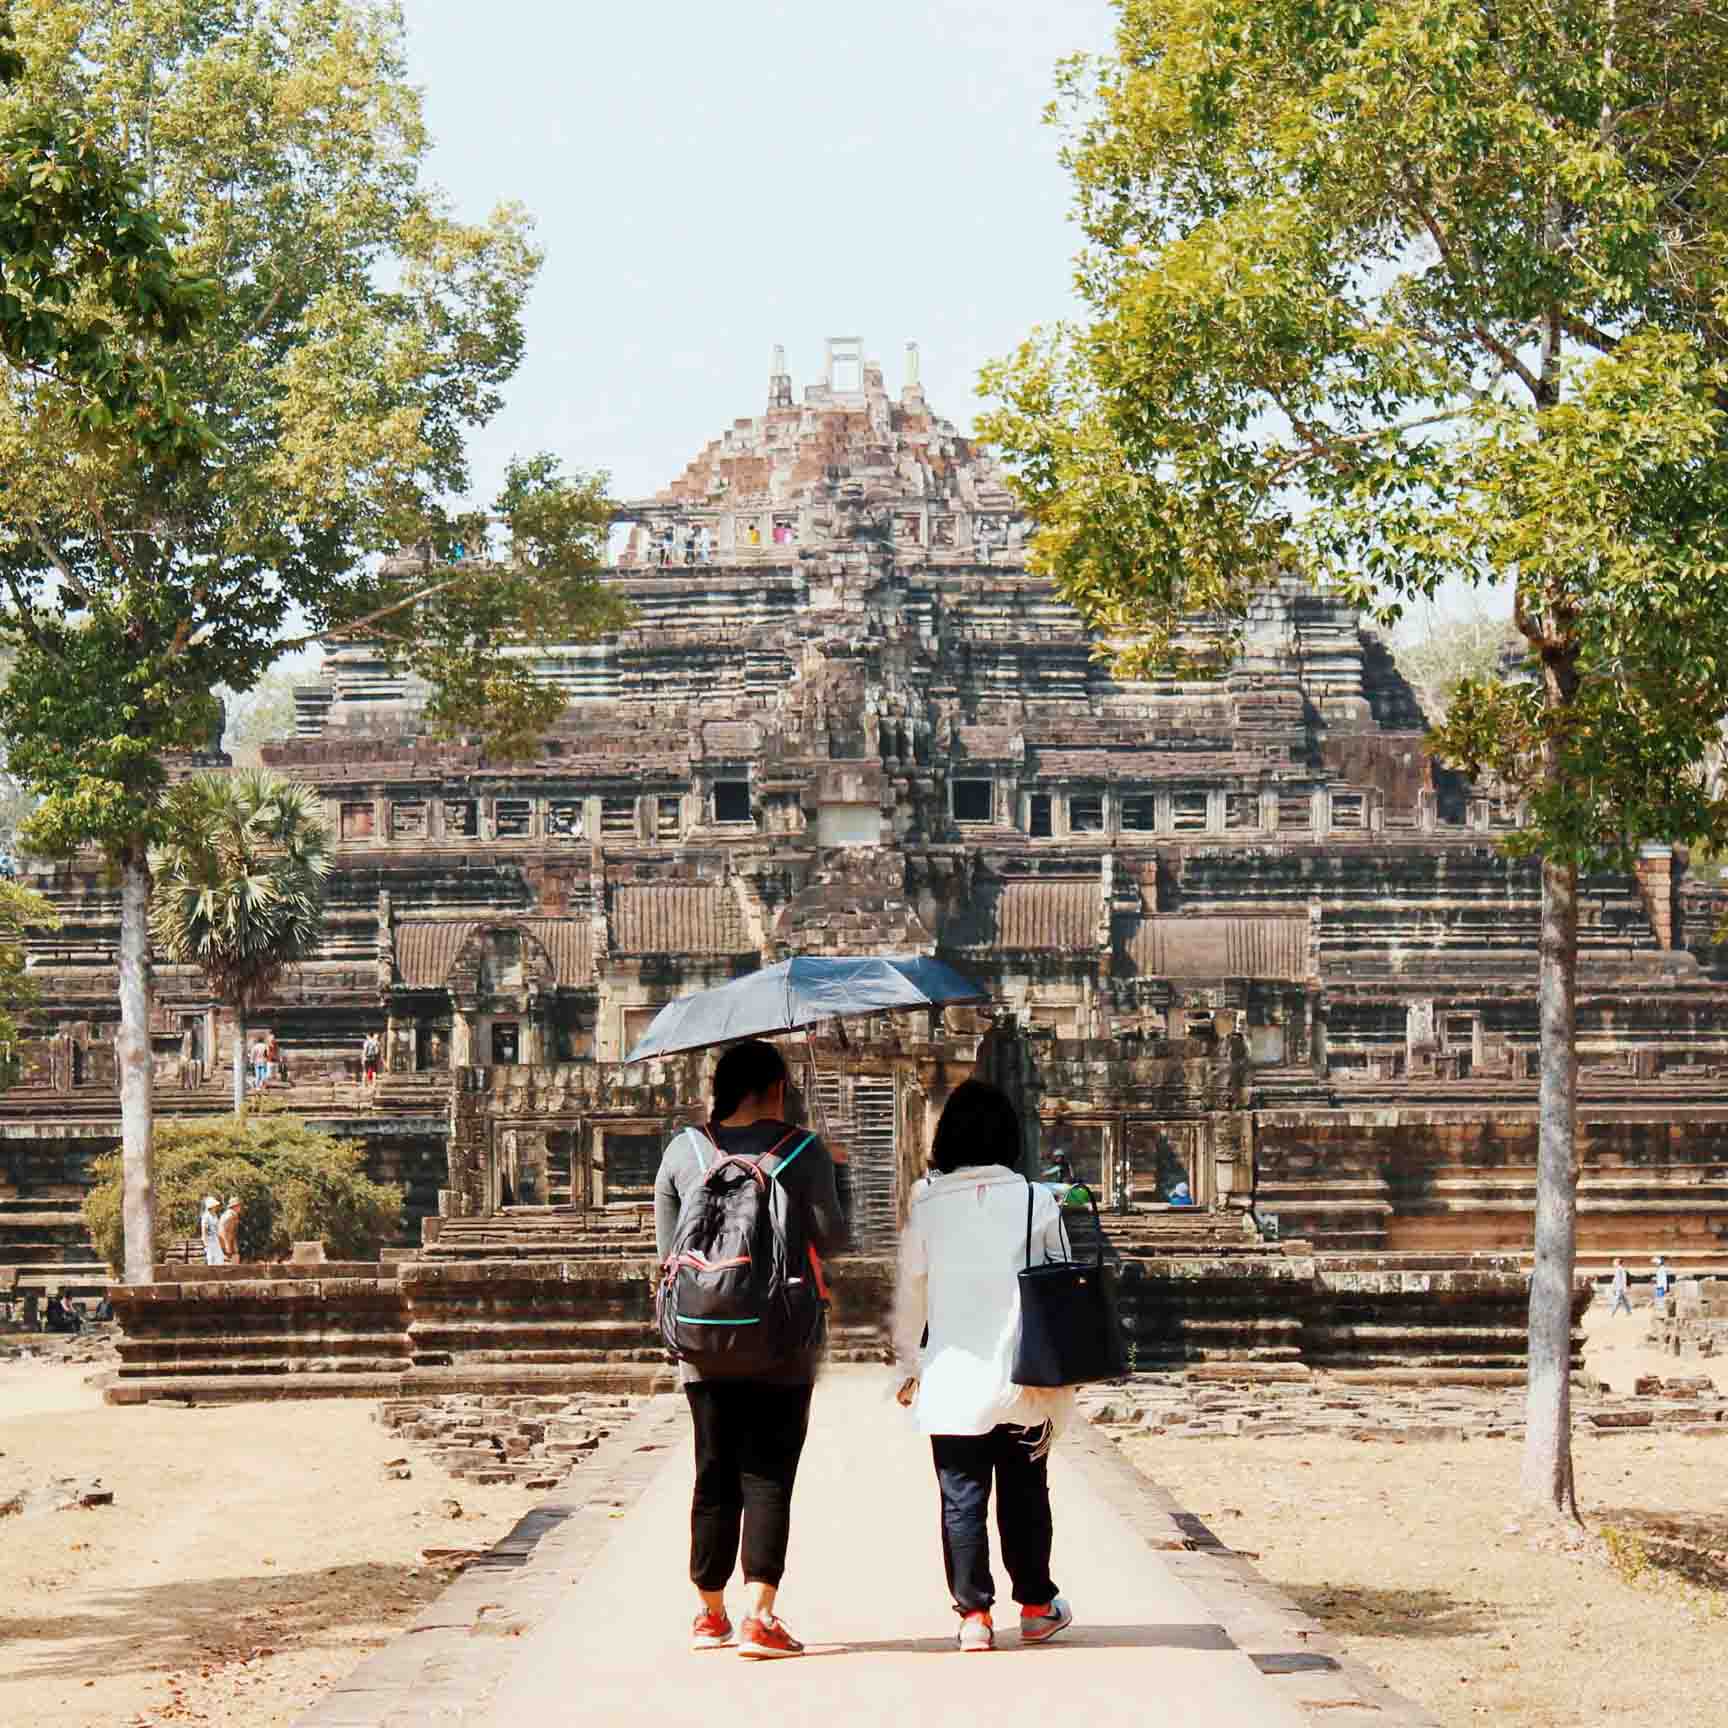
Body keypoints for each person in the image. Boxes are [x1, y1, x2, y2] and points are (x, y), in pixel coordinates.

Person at [653, 1039, 847, 1660]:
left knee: (712, 1469)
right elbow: (833, 1238)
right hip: (782, 1337)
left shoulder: (683, 1151)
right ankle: (760, 1614)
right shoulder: (802, 1150)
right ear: (773, 1089)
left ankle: (710, 1613)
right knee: (767, 1472)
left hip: (701, 1337)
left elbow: (669, 1254)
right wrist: (826, 1173)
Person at [893, 1079, 1076, 1653]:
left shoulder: (926, 1202)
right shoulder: (1036, 1200)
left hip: (952, 1376)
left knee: (961, 1498)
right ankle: (1037, 1605)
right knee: (1026, 1494)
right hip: (1022, 1374)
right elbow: (1061, 1281)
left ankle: (974, 1616)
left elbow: (911, 1290)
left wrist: (907, 1364)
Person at [217, 1195, 243, 1263]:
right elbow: (222, 1230)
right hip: (225, 1245)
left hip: (229, 1243)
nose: (240, 1207)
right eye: (239, 1205)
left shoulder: (232, 1215)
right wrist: (226, 1245)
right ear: (235, 1206)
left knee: (235, 1258)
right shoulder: (229, 1216)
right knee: (229, 1263)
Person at [201, 1195, 225, 1266]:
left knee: (219, 1258)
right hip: (209, 1240)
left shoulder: (215, 1215)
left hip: (216, 1239)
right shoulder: (206, 1216)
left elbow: (217, 1228)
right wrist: (205, 1242)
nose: (216, 1207)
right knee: (211, 1258)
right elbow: (204, 1229)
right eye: (214, 1206)